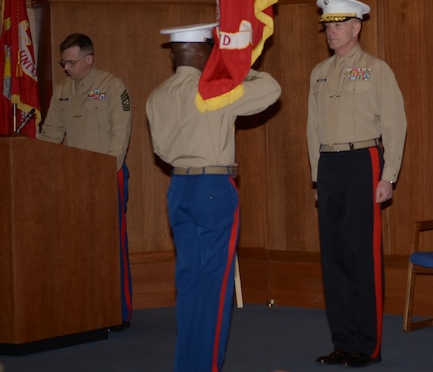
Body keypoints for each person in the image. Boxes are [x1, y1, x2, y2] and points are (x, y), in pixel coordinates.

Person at [146, 22, 281, 372]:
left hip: (178, 189)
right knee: (216, 286)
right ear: (204, 52)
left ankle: (188, 364)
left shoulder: (157, 95)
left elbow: (160, 150)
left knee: (189, 283)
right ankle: (205, 367)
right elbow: (271, 89)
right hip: (212, 190)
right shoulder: (213, 90)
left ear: (175, 54)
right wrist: (235, 63)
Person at [307, 0, 407, 368]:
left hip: (363, 160)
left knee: (361, 256)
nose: (331, 31)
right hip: (330, 165)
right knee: (334, 258)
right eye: (327, 25)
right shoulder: (319, 72)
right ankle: (343, 342)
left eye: (337, 24)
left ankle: (368, 345)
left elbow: (395, 125)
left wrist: (388, 174)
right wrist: (317, 178)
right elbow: (312, 129)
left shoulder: (376, 70)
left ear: (356, 26)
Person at [38, 33, 133, 331]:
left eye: (71, 62)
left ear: (89, 59)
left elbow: (121, 135)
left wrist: (105, 173)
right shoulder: (63, 90)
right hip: (72, 179)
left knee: (110, 245)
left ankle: (119, 312)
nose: (65, 67)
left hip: (107, 176)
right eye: (63, 61)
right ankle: (84, 309)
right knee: (78, 246)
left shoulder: (111, 87)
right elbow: (52, 134)